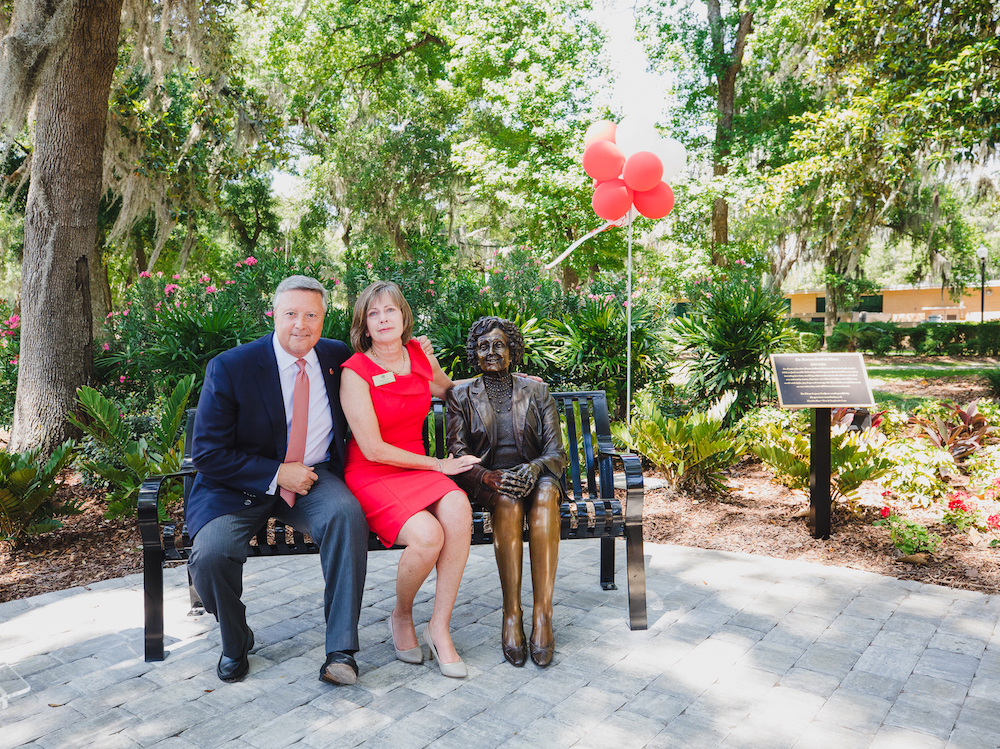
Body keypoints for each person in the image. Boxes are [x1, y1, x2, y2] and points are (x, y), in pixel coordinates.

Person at [187, 275, 369, 686]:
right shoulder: (232, 367)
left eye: (311, 315)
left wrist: (432, 362)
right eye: (291, 314)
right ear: (274, 314)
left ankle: (340, 650)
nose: (300, 325)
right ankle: (236, 640)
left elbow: (390, 365)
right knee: (210, 556)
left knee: (346, 517)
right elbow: (208, 453)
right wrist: (274, 473)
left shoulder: (337, 357)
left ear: (323, 319)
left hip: (313, 478)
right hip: (237, 485)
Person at [340, 280, 479, 678]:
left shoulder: (418, 354)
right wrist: (437, 465)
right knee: (427, 536)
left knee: (457, 507)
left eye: (390, 311)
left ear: (404, 317)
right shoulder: (356, 372)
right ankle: (401, 616)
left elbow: (451, 392)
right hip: (374, 471)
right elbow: (372, 449)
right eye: (373, 313)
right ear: (364, 326)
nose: (383, 319)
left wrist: (515, 380)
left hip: (415, 465)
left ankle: (439, 626)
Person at [446, 316, 567, 667]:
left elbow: (556, 452)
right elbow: (457, 452)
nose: (491, 352)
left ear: (513, 350)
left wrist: (532, 468)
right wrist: (488, 478)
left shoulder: (537, 391)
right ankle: (511, 613)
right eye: (483, 346)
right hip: (490, 482)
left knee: (545, 495)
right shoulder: (461, 395)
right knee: (509, 501)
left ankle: (543, 614)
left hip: (536, 475)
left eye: (499, 345)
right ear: (474, 353)